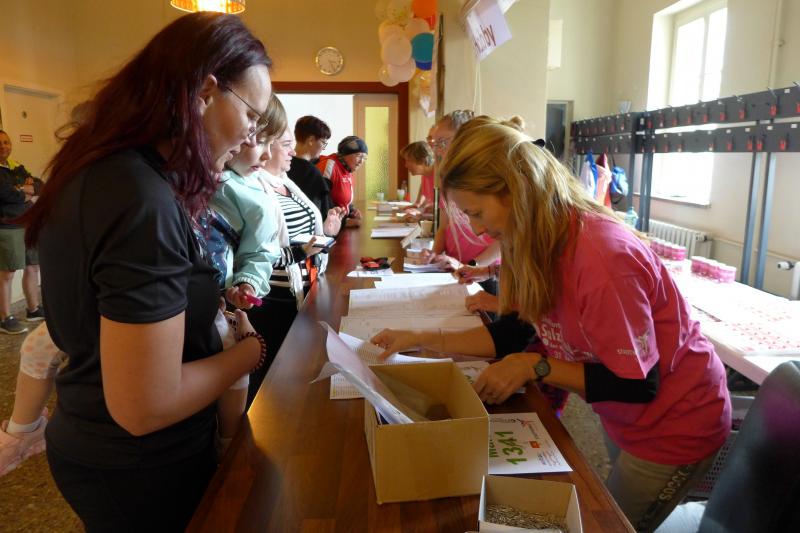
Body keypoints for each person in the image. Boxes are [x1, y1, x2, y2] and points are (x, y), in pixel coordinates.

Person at [372, 115, 732, 533]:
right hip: (624, 417)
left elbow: (638, 383)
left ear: (516, 190)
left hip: (677, 423)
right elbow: (514, 332)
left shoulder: (601, 258)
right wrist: (421, 338)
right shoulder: (532, 238)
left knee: (610, 523)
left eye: (477, 212)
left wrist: (534, 366)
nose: (477, 228)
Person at [18, 13, 270, 531]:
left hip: (106, 444)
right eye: (251, 114)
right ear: (205, 92)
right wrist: (248, 354)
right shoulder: (140, 198)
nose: (252, 135)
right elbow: (145, 405)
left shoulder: (110, 172)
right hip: (141, 465)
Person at [248, 105, 345, 406]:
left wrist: (326, 231)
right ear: (265, 146)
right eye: (287, 145)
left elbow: (304, 238)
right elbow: (258, 256)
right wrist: (304, 250)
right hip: (274, 302)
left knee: (298, 383)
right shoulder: (254, 187)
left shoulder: (286, 182)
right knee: (274, 389)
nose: (294, 152)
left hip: (303, 292)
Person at [425, 110, 500, 274]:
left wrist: (472, 266)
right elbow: (443, 227)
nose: (437, 151)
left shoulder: (486, 179)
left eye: (443, 142)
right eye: (435, 144)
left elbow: (503, 241)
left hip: (484, 271)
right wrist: (434, 255)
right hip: (455, 266)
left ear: (467, 139)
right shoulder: (449, 179)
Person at [0, 130, 45, 334]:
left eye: (6, 142)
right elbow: (7, 195)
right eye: (0, 143)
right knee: (7, 274)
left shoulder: (15, 166)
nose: (3, 146)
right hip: (8, 227)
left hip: (28, 224)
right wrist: (23, 192)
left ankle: (33, 309)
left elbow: (39, 185)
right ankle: (5, 319)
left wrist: (24, 188)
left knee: (33, 267)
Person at [287, 115, 336, 218]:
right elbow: (325, 213)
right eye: (323, 142)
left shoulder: (284, 164)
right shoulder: (312, 173)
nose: (323, 148)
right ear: (311, 140)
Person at [316, 135, 368, 227]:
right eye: (359, 156)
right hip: (329, 227)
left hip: (339, 223)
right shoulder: (330, 165)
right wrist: (344, 222)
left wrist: (351, 210)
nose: (361, 161)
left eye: (364, 158)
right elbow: (320, 202)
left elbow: (341, 199)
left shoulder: (348, 170)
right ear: (345, 154)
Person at [399, 140, 435, 223]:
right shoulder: (425, 175)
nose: (406, 165)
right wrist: (418, 205)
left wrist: (422, 216)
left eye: (408, 160)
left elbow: (446, 214)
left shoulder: (439, 177)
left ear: (422, 160)